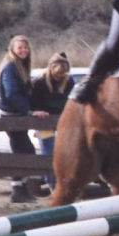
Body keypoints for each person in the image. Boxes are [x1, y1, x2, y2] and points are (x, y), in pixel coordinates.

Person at [0, 35, 49, 204]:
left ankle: (21, 189)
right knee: (23, 151)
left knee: (23, 150)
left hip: (17, 114)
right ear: (12, 49)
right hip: (12, 115)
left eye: (26, 47)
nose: (23, 50)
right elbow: (11, 93)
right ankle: (18, 190)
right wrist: (27, 110)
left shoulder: (22, 67)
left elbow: (25, 91)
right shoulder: (10, 67)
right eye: (20, 47)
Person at [30, 52, 75, 191]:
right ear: (50, 69)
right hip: (44, 122)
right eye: (57, 74)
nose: (59, 77)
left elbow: (71, 101)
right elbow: (32, 103)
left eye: (62, 74)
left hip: (62, 120)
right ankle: (51, 183)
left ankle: (67, 180)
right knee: (47, 149)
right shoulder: (39, 82)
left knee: (66, 149)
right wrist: (35, 113)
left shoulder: (69, 81)